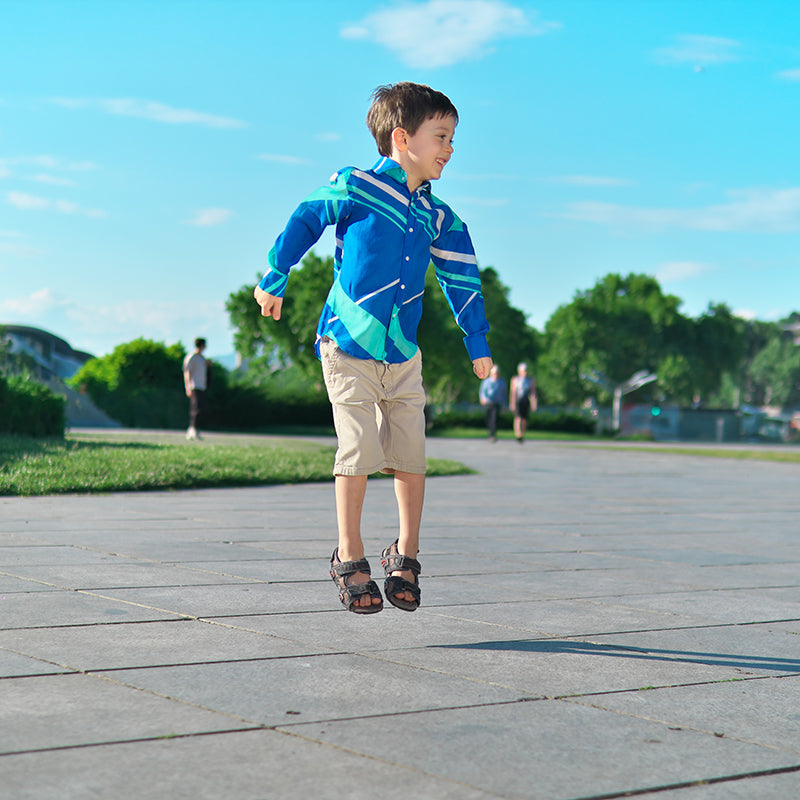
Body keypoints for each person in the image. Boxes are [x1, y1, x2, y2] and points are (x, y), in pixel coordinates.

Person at [253, 82, 493, 614]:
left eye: (452, 138)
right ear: (403, 138)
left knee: (411, 456)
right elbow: (306, 217)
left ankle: (405, 553)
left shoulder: (439, 217)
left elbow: (463, 277)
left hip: (403, 356)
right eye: (442, 136)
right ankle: (350, 555)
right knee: (359, 450)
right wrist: (276, 273)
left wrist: (476, 338)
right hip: (346, 347)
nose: (450, 149)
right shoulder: (356, 186)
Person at [183, 338, 207, 441]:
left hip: (201, 386)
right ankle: (192, 430)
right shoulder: (192, 357)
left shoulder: (202, 358)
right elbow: (187, 372)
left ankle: (195, 429)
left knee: (200, 409)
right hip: (194, 386)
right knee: (195, 409)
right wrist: (187, 386)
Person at [509, 361, 537, 443]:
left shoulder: (530, 380)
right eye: (523, 370)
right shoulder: (515, 380)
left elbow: (533, 392)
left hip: (526, 401)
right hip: (518, 401)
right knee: (518, 418)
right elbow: (513, 392)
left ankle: (522, 434)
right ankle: (518, 434)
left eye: (526, 370)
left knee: (524, 419)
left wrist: (534, 403)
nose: (525, 372)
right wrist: (512, 403)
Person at [479, 364, 506, 442]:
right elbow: (482, 392)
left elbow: (504, 394)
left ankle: (492, 434)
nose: (495, 375)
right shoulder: (486, 382)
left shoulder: (502, 382)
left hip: (497, 403)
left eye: (497, 373)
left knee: (494, 419)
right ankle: (490, 431)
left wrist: (504, 405)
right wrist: (482, 399)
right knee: (488, 418)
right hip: (488, 403)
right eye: (494, 373)